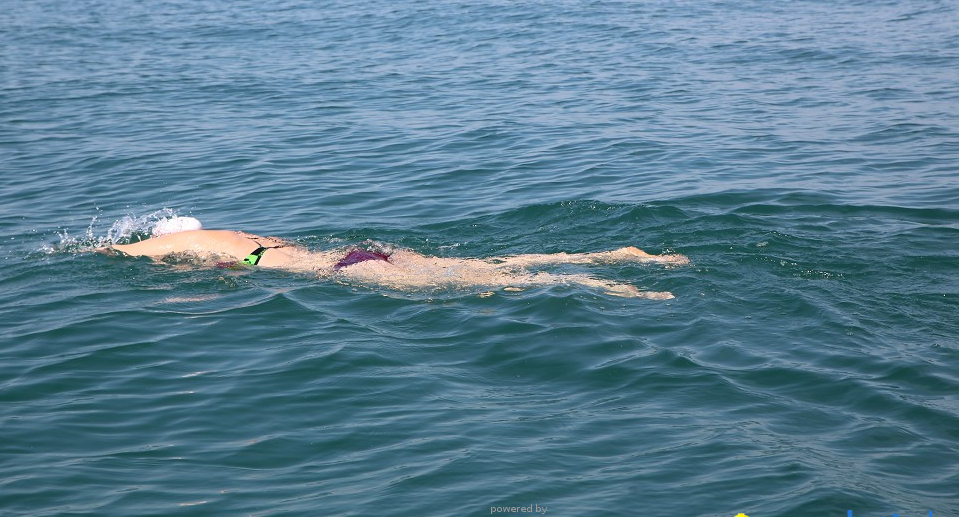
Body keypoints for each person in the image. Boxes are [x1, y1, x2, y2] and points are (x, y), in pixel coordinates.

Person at [101, 217, 689, 299]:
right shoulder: (235, 234)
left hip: (344, 270)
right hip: (360, 252)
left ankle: (618, 289)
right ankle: (614, 257)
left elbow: (128, 251)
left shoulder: (180, 246)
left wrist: (111, 250)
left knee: (492, 285)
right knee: (496, 264)